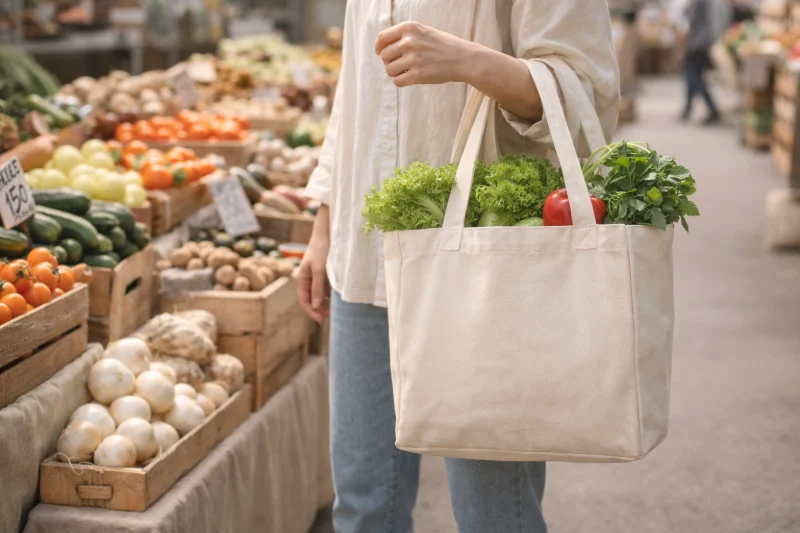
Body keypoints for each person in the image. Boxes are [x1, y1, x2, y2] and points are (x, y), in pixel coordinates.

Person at [297, 1, 619, 531]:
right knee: (361, 507)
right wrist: (323, 224)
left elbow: (585, 91)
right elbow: (353, 94)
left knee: (494, 513)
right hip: (364, 258)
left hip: (481, 263)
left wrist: (468, 61)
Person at [683, 0, 722, 123]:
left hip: (697, 44)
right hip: (701, 42)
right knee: (691, 75)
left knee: (693, 77)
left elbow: (693, 19)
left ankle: (712, 108)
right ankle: (688, 108)